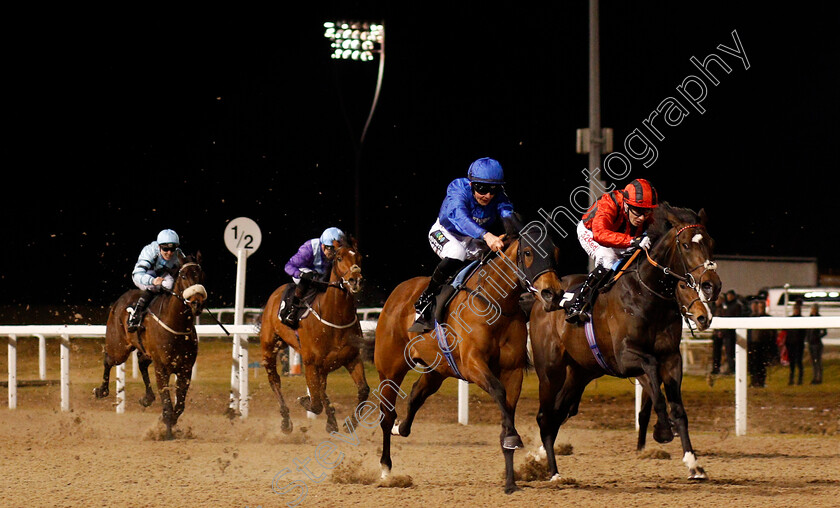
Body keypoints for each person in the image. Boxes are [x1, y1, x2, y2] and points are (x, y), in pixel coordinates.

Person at [409, 157, 515, 333]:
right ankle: (425, 300)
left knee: (498, 257)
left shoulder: (498, 195)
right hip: (446, 232)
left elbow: (508, 214)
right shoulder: (458, 188)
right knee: (457, 252)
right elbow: (460, 218)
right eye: (482, 188)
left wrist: (515, 232)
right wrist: (487, 235)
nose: (488, 195)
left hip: (473, 239)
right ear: (472, 184)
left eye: (493, 189)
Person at [565, 178, 659, 323]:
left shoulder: (643, 213)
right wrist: (632, 241)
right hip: (591, 232)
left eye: (646, 212)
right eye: (638, 211)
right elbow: (600, 234)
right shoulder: (609, 203)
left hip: (620, 235)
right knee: (608, 258)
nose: (641, 217)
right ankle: (579, 303)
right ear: (626, 204)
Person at [281, 227, 346, 329]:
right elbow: (288, 266)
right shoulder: (309, 248)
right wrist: (300, 274)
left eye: (337, 250)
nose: (334, 254)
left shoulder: (337, 254)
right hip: (305, 273)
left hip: (322, 276)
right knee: (310, 276)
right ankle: (292, 311)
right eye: (332, 250)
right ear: (323, 246)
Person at [127, 229, 184, 333]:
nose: (169, 253)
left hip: (161, 274)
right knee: (155, 286)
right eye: (165, 249)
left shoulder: (178, 254)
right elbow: (137, 274)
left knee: (170, 284)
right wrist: (152, 281)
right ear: (159, 247)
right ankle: (135, 315)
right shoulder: (150, 251)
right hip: (145, 275)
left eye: (173, 249)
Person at [746, 297, 776, 388]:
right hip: (754, 343)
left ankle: (761, 381)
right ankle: (753, 381)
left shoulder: (767, 318)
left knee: (762, 364)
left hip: (764, 343)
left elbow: (772, 332)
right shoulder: (753, 317)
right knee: (753, 364)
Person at [711, 290, 742, 374]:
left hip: (726, 333)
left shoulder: (726, 309)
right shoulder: (714, 309)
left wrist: (722, 331)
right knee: (716, 353)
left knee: (729, 352)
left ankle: (731, 369)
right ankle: (716, 368)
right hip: (717, 333)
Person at [784, 299, 806, 385]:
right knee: (792, 363)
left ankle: (800, 380)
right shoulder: (790, 319)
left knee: (799, 362)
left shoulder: (802, 320)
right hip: (791, 343)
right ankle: (791, 379)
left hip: (799, 344)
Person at [805, 303, 827, 384]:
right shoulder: (809, 318)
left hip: (817, 343)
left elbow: (824, 331)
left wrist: (817, 336)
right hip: (811, 343)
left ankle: (819, 377)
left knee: (818, 361)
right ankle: (814, 377)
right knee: (813, 362)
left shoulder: (819, 319)